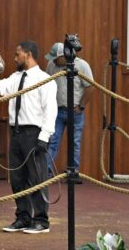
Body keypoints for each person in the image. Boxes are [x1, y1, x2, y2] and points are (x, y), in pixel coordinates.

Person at [0, 41, 57, 235]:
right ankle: (23, 217)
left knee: (36, 177)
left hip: (33, 133)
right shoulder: (15, 77)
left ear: (28, 55)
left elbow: (50, 111)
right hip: (16, 133)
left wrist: (44, 137)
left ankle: (41, 220)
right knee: (18, 179)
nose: (14, 57)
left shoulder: (45, 79)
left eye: (17, 54)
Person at [44, 42, 93, 175]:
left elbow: (90, 87)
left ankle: (74, 171)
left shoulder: (82, 65)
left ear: (64, 56)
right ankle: (46, 171)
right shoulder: (51, 65)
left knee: (75, 143)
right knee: (52, 141)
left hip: (75, 112)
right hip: (57, 110)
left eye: (55, 58)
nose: (53, 60)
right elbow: (47, 85)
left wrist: (81, 106)